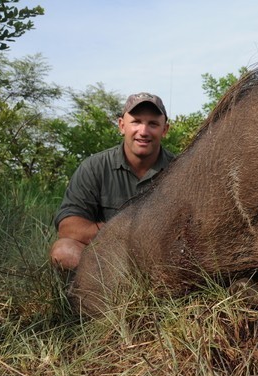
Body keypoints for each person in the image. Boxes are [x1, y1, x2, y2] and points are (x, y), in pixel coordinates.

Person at [49, 92, 175, 271]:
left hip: (160, 261)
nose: (143, 131)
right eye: (136, 121)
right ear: (122, 126)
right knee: (64, 251)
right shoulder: (94, 167)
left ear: (165, 130)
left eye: (153, 124)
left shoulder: (179, 168)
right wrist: (124, 232)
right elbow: (68, 228)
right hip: (105, 260)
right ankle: (96, 295)